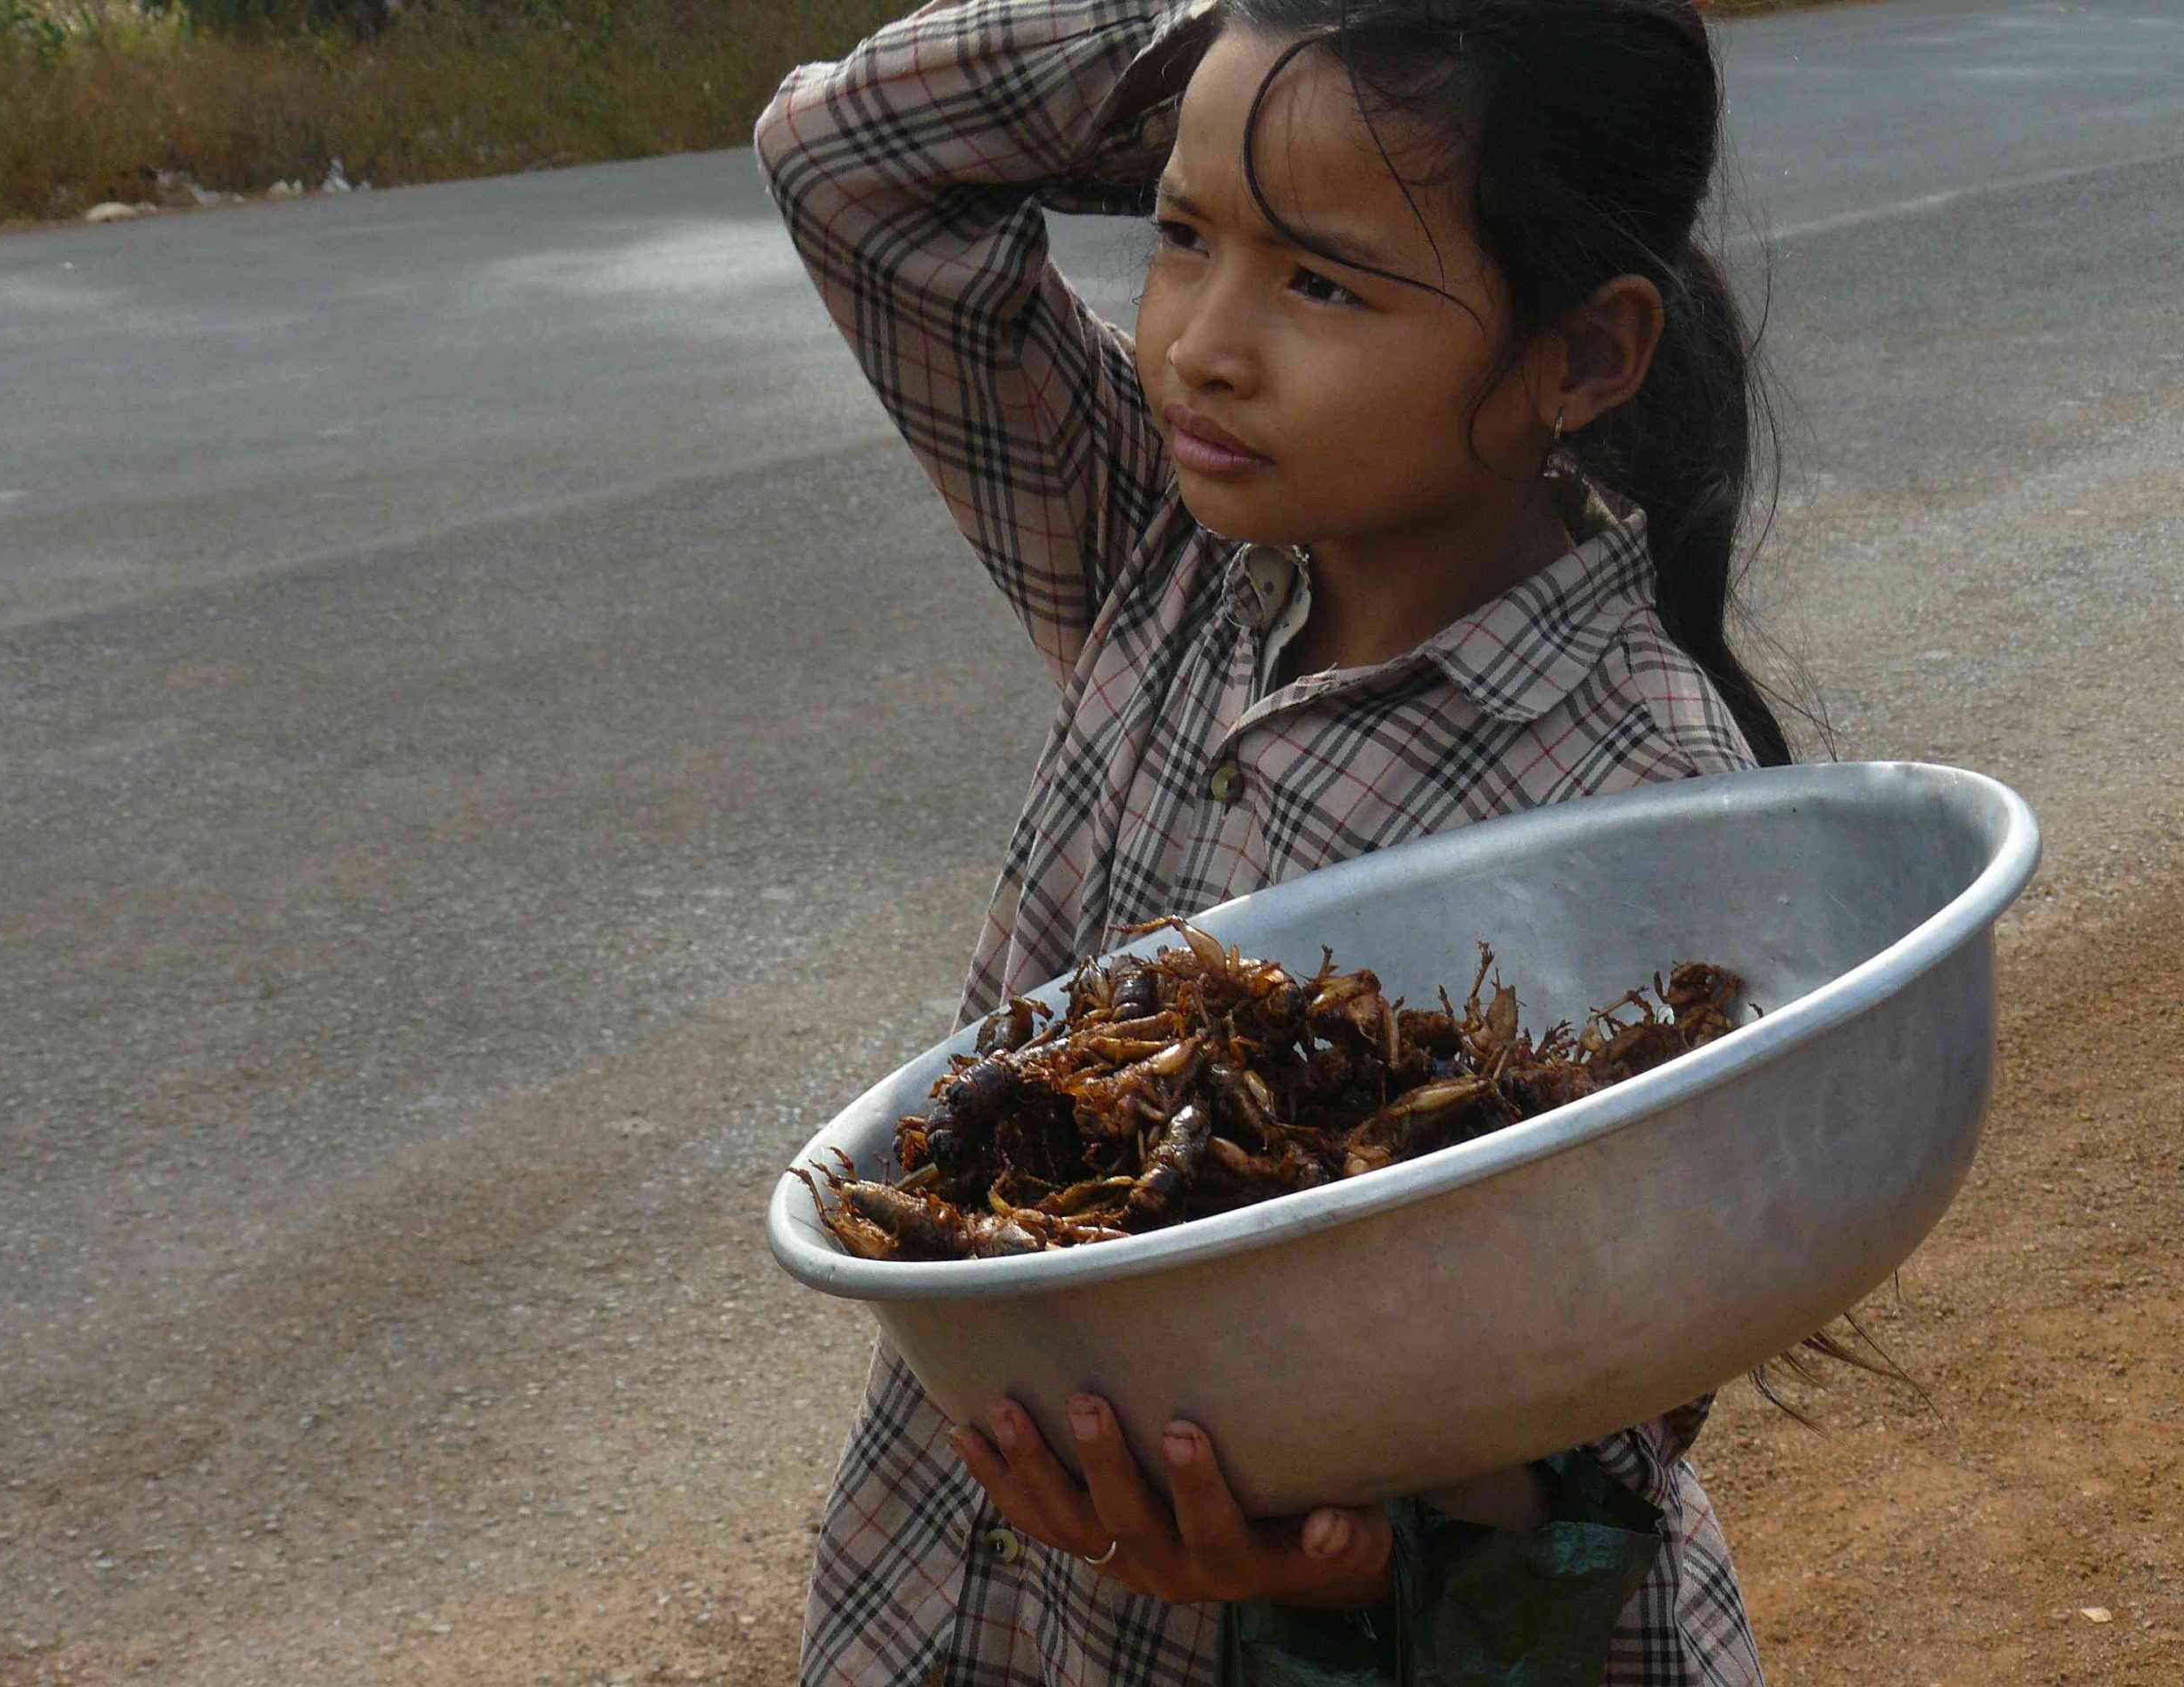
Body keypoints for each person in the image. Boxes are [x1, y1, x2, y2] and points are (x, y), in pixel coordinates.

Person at [754, 0, 1784, 1681]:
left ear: (1587, 356)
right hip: (984, 1607)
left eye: (1321, 282)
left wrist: (1371, 1553)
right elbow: (845, 156)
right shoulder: (1159, 545)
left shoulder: (1645, 792)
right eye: (1181, 236)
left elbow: (1612, 1418)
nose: (1199, 348)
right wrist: (1249, 34)